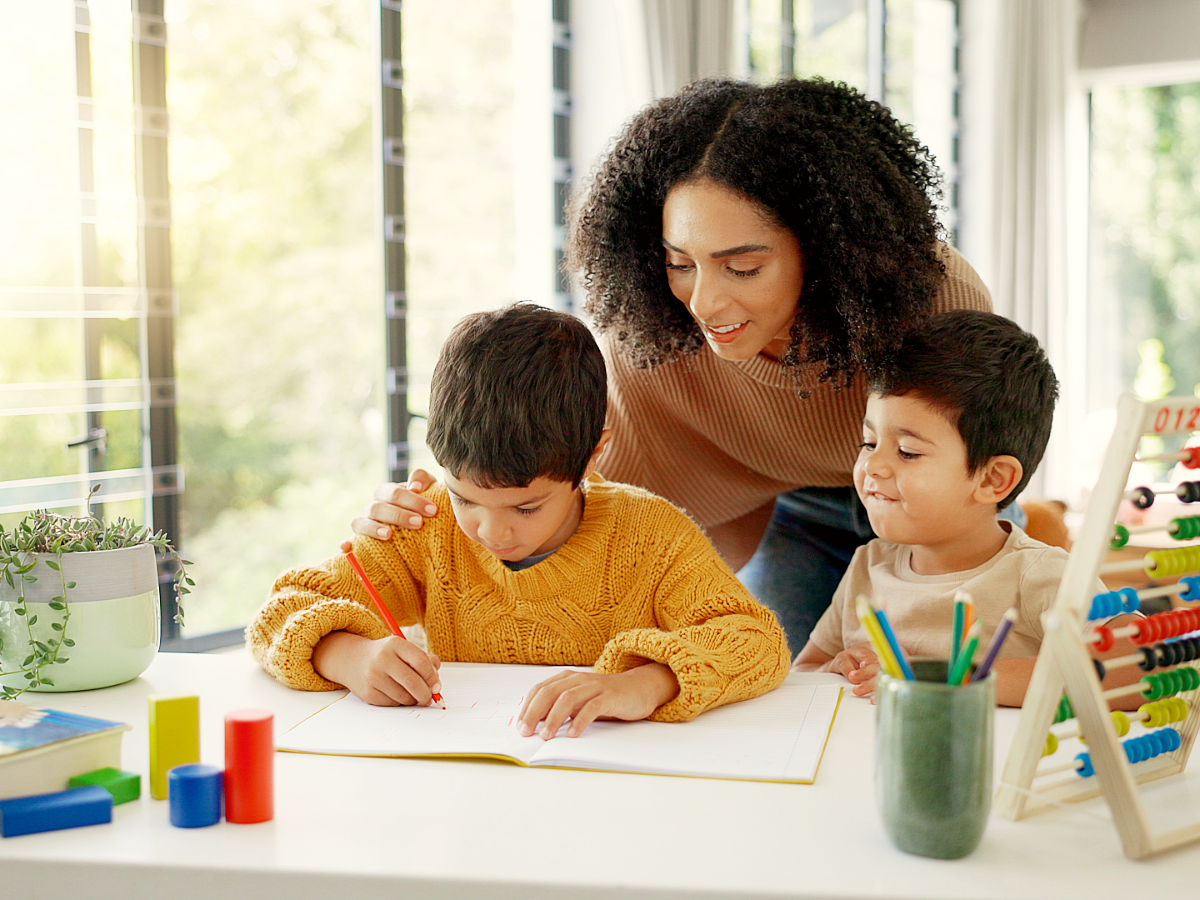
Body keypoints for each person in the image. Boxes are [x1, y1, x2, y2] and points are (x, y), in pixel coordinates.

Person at [350, 77, 995, 655]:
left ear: (824, 247)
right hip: (793, 510)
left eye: (743, 267)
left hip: (940, 500)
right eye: (680, 263)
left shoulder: (932, 299)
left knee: (945, 692)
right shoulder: (653, 344)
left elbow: (986, 461)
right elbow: (565, 513)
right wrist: (424, 531)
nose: (705, 304)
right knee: (788, 690)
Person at [248, 303, 789, 739]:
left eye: (526, 507)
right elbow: (278, 614)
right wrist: (347, 655)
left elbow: (758, 641)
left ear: (593, 454)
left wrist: (649, 683)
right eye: (465, 498)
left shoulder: (650, 535)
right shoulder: (425, 524)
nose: (490, 531)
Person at [790, 311, 1109, 707]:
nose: (872, 465)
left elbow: (1138, 667)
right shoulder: (867, 566)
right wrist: (838, 666)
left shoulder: (1038, 575)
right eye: (869, 443)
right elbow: (803, 674)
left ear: (993, 480)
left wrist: (950, 681)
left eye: (907, 452)